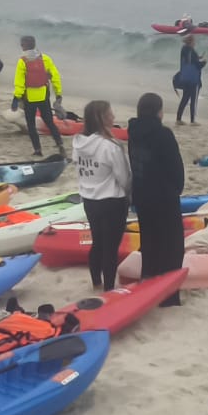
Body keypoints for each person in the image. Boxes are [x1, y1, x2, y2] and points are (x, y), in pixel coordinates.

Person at [128, 93, 186, 307]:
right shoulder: (163, 135)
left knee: (150, 243)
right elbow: (175, 168)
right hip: (164, 197)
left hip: (142, 196)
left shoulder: (133, 131)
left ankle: (148, 283)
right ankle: (168, 296)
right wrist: (176, 189)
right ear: (158, 111)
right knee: (172, 247)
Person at [71, 101, 132, 292]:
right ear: (103, 118)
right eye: (111, 114)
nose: (114, 117)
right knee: (110, 248)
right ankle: (108, 288)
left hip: (89, 201)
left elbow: (78, 166)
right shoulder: (111, 146)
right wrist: (129, 195)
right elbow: (123, 177)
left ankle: (96, 281)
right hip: (112, 201)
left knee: (97, 242)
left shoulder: (78, 143)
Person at [13, 36, 64, 155]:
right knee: (49, 121)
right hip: (43, 96)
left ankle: (38, 150)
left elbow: (19, 82)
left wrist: (16, 97)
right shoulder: (45, 58)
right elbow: (55, 77)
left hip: (29, 98)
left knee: (31, 125)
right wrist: (58, 93)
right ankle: (59, 142)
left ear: (23, 46)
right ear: (34, 45)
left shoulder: (22, 61)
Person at [172, 34, 205, 126]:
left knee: (185, 98)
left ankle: (178, 119)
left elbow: (189, 61)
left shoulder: (184, 50)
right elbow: (197, 65)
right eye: (194, 41)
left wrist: (198, 58)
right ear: (191, 42)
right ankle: (192, 120)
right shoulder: (191, 51)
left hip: (185, 77)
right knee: (193, 99)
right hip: (193, 79)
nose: (195, 43)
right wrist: (204, 62)